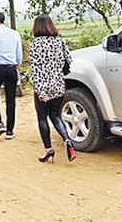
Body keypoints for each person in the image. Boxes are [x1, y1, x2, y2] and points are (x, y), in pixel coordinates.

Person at [29, 15, 77, 163]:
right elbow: (69, 60)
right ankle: (67, 140)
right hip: (58, 85)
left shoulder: (35, 45)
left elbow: (35, 70)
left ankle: (49, 150)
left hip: (43, 86)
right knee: (55, 115)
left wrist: (41, 91)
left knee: (42, 118)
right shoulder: (59, 42)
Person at [0, 12, 23, 139]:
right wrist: (17, 65)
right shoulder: (14, 33)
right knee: (11, 100)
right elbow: (19, 53)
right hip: (11, 68)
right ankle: (10, 131)